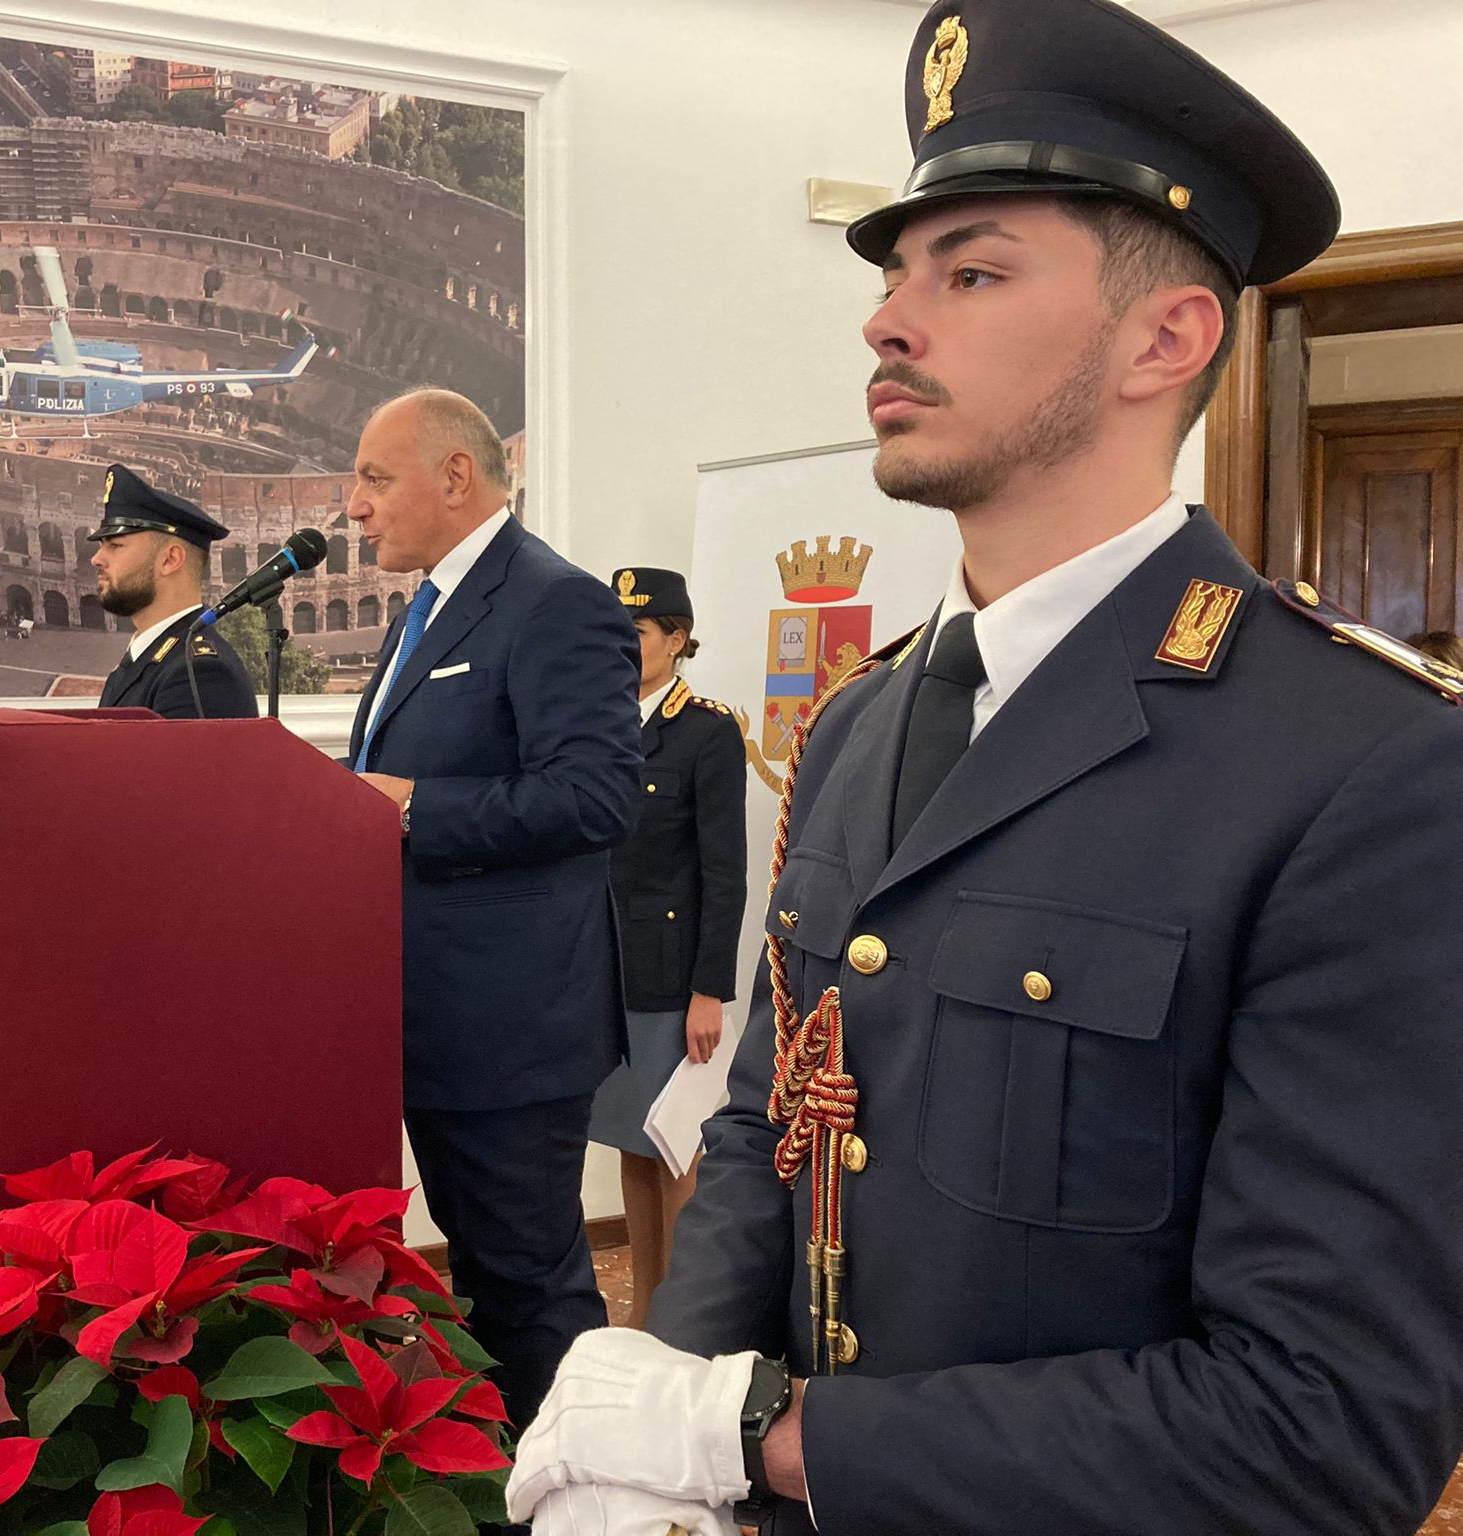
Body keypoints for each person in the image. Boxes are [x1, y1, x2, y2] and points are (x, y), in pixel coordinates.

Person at [507, 3, 1463, 1534]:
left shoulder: (1366, 770)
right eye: (896, 272)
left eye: (974, 270)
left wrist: (763, 1437)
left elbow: (1324, 1425)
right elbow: (774, 1117)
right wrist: (661, 1419)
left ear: (1166, 338)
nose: (888, 321)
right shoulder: (868, 720)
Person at [347, 388, 643, 1437]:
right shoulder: (428, 609)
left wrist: (414, 808)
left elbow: (597, 795)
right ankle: (509, 1474)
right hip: (434, 1019)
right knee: (480, 1281)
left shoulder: (552, 602)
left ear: (454, 476)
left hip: (510, 1026)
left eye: (375, 480)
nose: (355, 507)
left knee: (529, 1286)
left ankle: (581, 1490)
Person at [585, 568, 746, 1331]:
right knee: (631, 1143)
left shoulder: (706, 731)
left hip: (672, 979)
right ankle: (645, 1307)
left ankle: (683, 1322)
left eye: (639, 634)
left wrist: (710, 990)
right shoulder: (598, 721)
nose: (623, 648)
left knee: (678, 1152)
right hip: (604, 972)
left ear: (677, 639)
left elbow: (725, 871)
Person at [88, 463, 257, 719]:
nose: (97, 559)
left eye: (115, 545)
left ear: (170, 560)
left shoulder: (198, 674)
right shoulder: (151, 658)